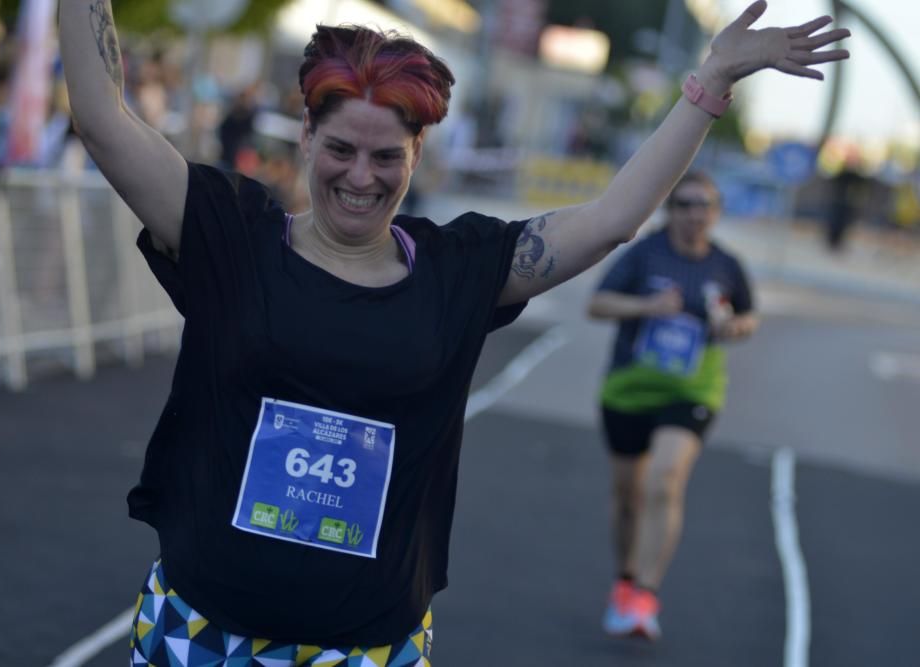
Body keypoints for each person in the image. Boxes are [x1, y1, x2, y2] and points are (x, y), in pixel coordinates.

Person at [57, 1, 848, 663]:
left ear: (418, 153)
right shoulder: (227, 234)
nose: (360, 178)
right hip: (201, 629)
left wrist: (708, 84)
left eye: (385, 156)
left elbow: (611, 221)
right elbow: (101, 117)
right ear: (305, 136)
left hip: (367, 646)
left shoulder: (460, 270)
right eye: (339, 149)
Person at [588, 172, 759, 640]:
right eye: (684, 204)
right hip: (629, 387)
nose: (693, 213)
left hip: (692, 390)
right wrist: (646, 308)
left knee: (666, 478)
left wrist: (734, 328)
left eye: (703, 204)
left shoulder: (727, 265)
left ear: (716, 211)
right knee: (629, 496)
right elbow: (596, 304)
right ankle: (625, 581)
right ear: (670, 211)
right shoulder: (644, 255)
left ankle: (644, 594)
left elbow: (748, 317)